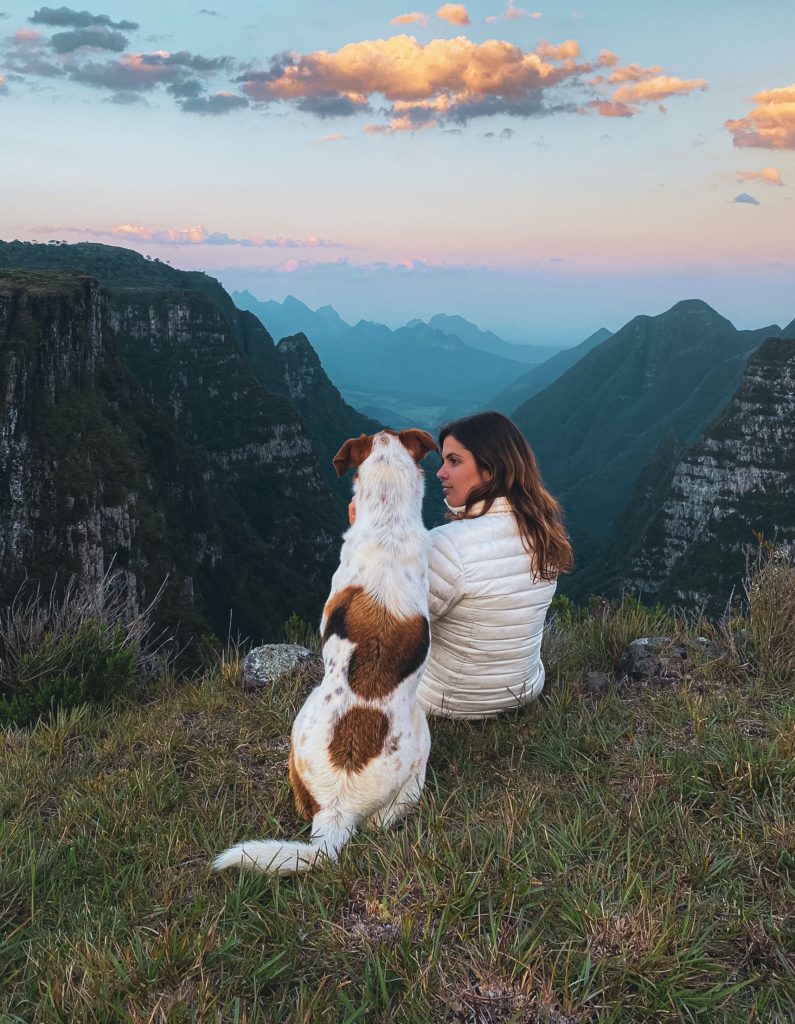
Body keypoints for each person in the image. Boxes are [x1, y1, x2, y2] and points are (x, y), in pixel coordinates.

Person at [348, 411, 572, 719]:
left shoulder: (448, 545)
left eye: (454, 461)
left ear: (490, 469)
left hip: (449, 702)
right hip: (523, 689)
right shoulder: (542, 533)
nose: (440, 473)